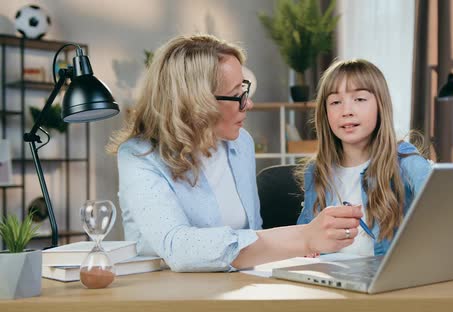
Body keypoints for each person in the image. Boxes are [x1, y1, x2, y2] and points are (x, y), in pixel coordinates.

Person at [107, 34, 363, 272]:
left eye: (245, 90)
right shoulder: (139, 156)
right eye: (236, 95)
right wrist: (303, 238)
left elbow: (253, 233)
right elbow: (178, 247)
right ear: (197, 102)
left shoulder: (241, 143)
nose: (248, 103)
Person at [297, 59, 433, 257]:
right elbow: (304, 238)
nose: (347, 111)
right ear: (325, 113)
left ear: (380, 105)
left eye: (359, 99)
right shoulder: (316, 172)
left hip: (386, 281)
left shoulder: (404, 160)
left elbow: (442, 203)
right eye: (335, 102)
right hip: (329, 279)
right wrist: (308, 247)